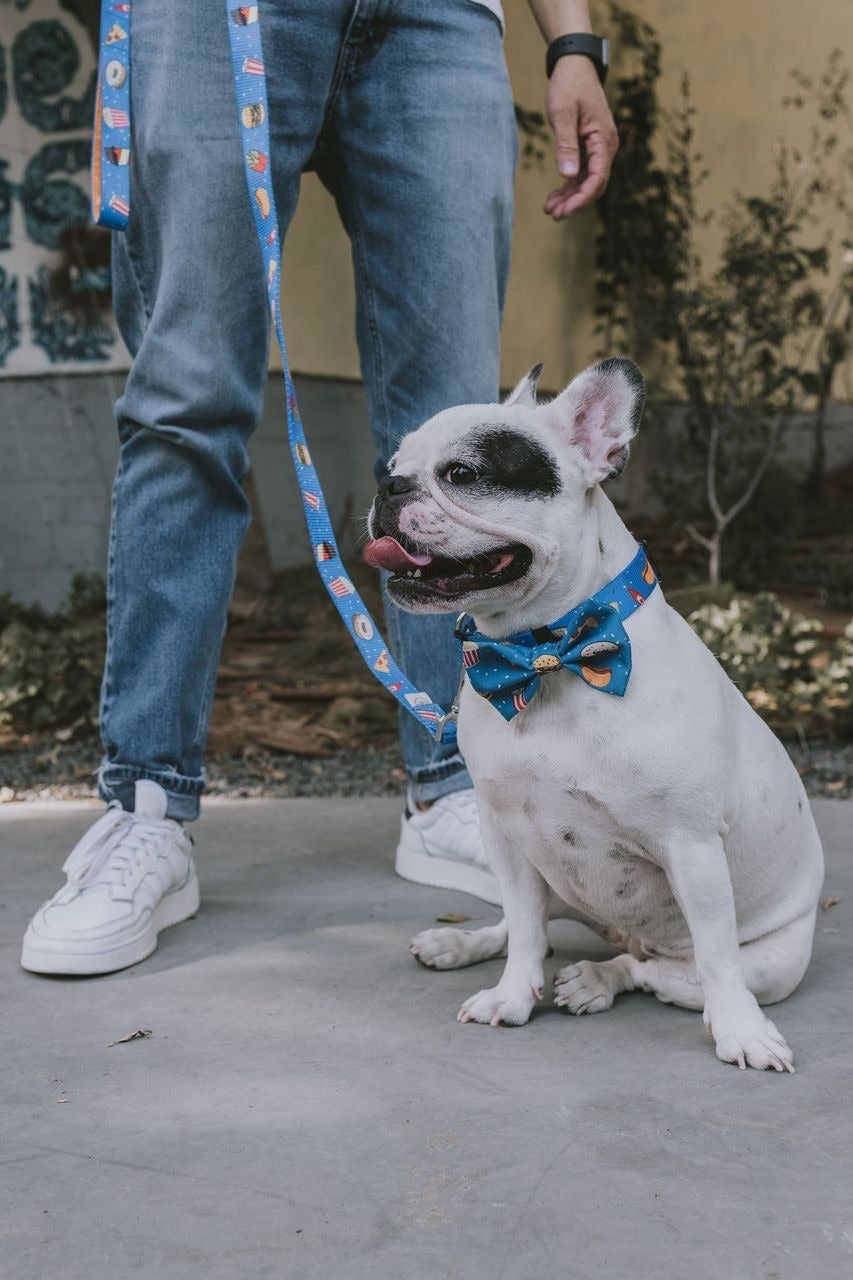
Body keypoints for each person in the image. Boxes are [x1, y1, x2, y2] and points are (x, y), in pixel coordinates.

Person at [21, 0, 618, 976]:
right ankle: (148, 810)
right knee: (187, 399)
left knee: (455, 417)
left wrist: (574, 41)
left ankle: (450, 783)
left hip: (440, 18)